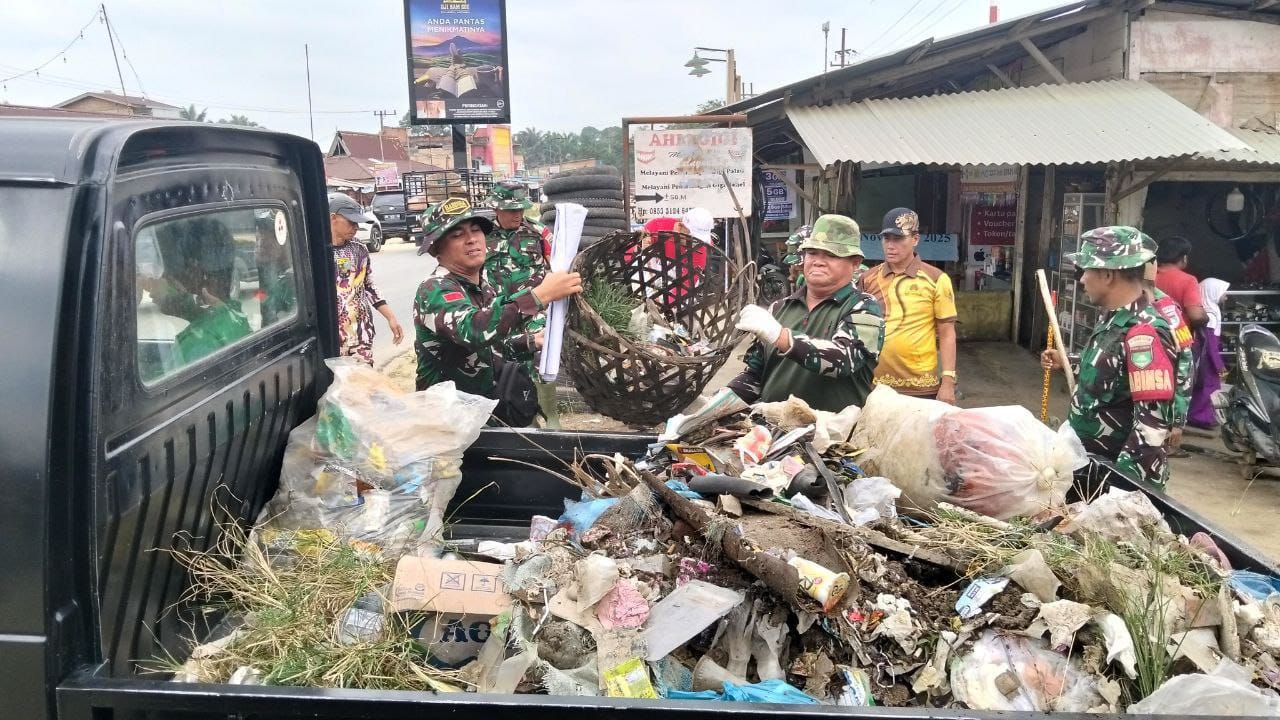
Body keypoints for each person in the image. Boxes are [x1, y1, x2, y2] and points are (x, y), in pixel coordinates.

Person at [1041, 226, 1178, 488]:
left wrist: (1122, 490)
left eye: (1086, 270)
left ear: (1107, 274)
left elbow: (1151, 428)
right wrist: (1070, 363)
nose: (1082, 279)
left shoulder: (1144, 334)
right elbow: (1113, 376)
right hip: (1087, 466)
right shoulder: (1114, 319)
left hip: (1114, 479)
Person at [412, 197, 582, 397]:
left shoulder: (483, 287)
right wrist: (540, 295)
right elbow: (474, 330)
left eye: (476, 230)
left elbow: (492, 349)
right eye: (457, 235)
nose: (472, 239)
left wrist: (531, 341)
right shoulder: (434, 289)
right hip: (447, 411)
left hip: (483, 406)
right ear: (435, 250)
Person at [728, 214, 884, 412]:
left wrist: (782, 337)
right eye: (812, 253)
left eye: (831, 255)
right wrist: (721, 400)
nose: (818, 261)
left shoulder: (864, 307)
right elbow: (755, 375)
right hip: (772, 425)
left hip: (832, 429)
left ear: (855, 263)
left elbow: (843, 360)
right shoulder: (779, 308)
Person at [859, 207, 959, 403]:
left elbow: (947, 333)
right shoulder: (868, 279)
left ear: (915, 239)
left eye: (898, 239)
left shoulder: (936, 279)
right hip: (875, 384)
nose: (890, 246)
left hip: (921, 385)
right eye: (886, 238)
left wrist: (948, 382)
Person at [328, 193, 403, 366]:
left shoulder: (359, 249)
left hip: (361, 336)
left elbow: (368, 286)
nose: (356, 227)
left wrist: (391, 318)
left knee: (364, 380)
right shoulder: (315, 252)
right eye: (351, 221)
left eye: (357, 222)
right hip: (331, 340)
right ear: (333, 218)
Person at [1143, 251, 1195, 457]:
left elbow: (1185, 363)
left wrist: (1178, 420)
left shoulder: (1166, 309)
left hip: (1153, 414)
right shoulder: (1114, 304)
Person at [483, 180, 551, 300]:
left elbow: (556, 266)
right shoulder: (483, 234)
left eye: (521, 209)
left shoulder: (539, 232)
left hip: (534, 305)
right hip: (497, 306)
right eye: (512, 210)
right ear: (496, 209)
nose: (518, 215)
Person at [1189, 278, 1231, 429]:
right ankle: (1198, 416)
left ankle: (1202, 415)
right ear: (1213, 292)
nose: (1226, 296)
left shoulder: (1206, 309)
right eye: (1223, 293)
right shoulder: (1211, 314)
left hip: (1205, 355)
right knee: (1207, 386)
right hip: (1207, 357)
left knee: (1204, 386)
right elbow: (1211, 343)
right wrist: (1219, 365)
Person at [1155, 235, 1209, 330]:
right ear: (1184, 258)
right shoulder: (1188, 280)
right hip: (1178, 334)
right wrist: (1206, 317)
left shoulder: (1147, 276)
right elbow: (1196, 316)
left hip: (1151, 332)